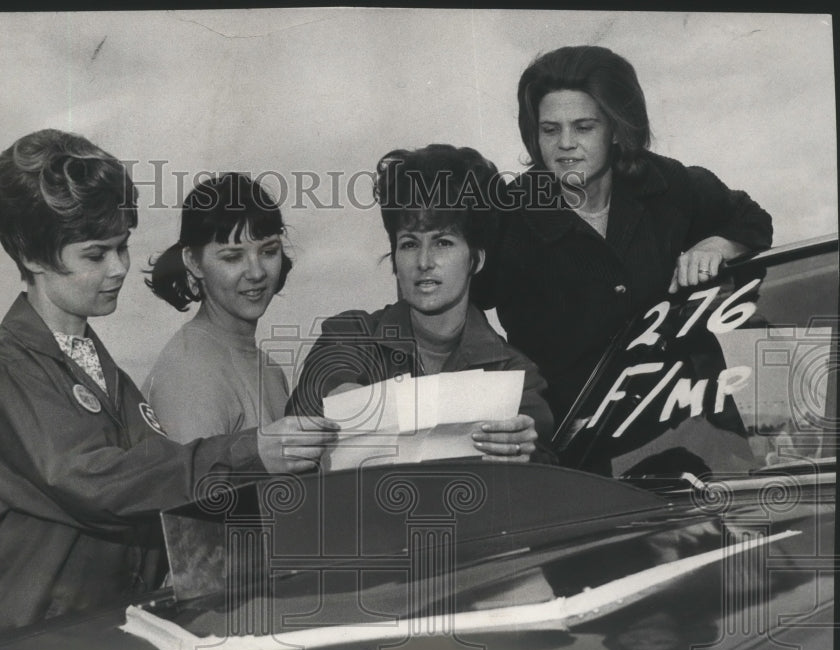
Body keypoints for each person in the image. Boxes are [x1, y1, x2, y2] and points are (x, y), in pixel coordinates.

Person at [0, 129, 336, 650]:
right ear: (32, 256)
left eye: (122, 246)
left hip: (78, 642)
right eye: (96, 255)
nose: (119, 267)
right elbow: (99, 485)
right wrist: (251, 450)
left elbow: (164, 493)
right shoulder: (0, 369)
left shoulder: (101, 371)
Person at [472, 45, 773, 422]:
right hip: (577, 441)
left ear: (617, 128)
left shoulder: (664, 183)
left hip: (683, 420)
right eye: (550, 129)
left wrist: (716, 245)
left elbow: (752, 219)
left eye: (584, 127)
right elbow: (455, 306)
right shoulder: (506, 214)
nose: (565, 143)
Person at [288, 144, 554, 462]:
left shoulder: (514, 374)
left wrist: (527, 450)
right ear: (395, 259)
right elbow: (301, 422)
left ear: (476, 259)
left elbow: (545, 471)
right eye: (410, 243)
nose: (424, 261)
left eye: (443, 242)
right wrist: (337, 399)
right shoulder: (350, 335)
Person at [143, 174, 290, 442]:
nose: (256, 272)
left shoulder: (271, 370)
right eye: (233, 257)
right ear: (194, 263)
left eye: (269, 251)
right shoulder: (188, 374)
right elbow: (189, 482)